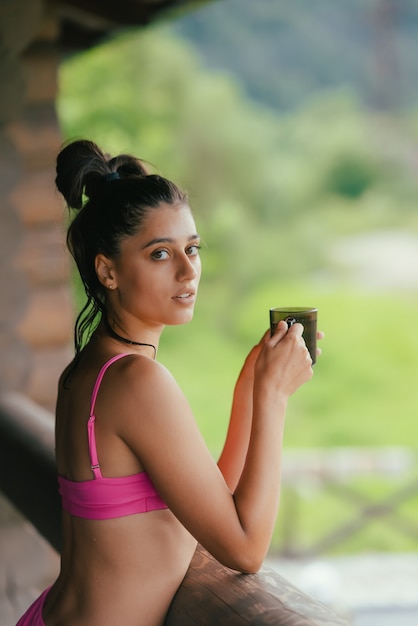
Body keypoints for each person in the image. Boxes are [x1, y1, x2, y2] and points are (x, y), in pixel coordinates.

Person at [16, 139, 321, 626]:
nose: (187, 271)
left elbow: (202, 505)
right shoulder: (137, 379)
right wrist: (272, 399)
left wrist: (248, 386)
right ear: (107, 271)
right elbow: (244, 548)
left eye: (192, 249)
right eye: (160, 254)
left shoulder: (90, 368)